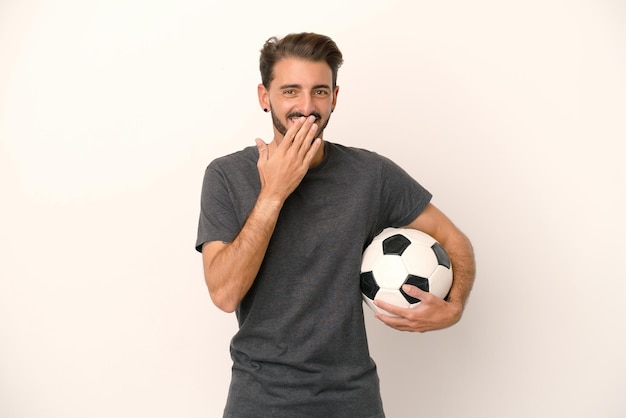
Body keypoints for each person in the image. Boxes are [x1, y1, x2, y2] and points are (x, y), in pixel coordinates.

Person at [195, 32, 475, 418]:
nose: (306, 106)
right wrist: (273, 193)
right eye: (290, 91)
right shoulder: (227, 176)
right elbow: (224, 294)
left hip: (352, 402)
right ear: (265, 97)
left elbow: (452, 239)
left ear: (335, 98)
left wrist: (455, 305)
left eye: (320, 92)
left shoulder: (370, 175)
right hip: (259, 402)